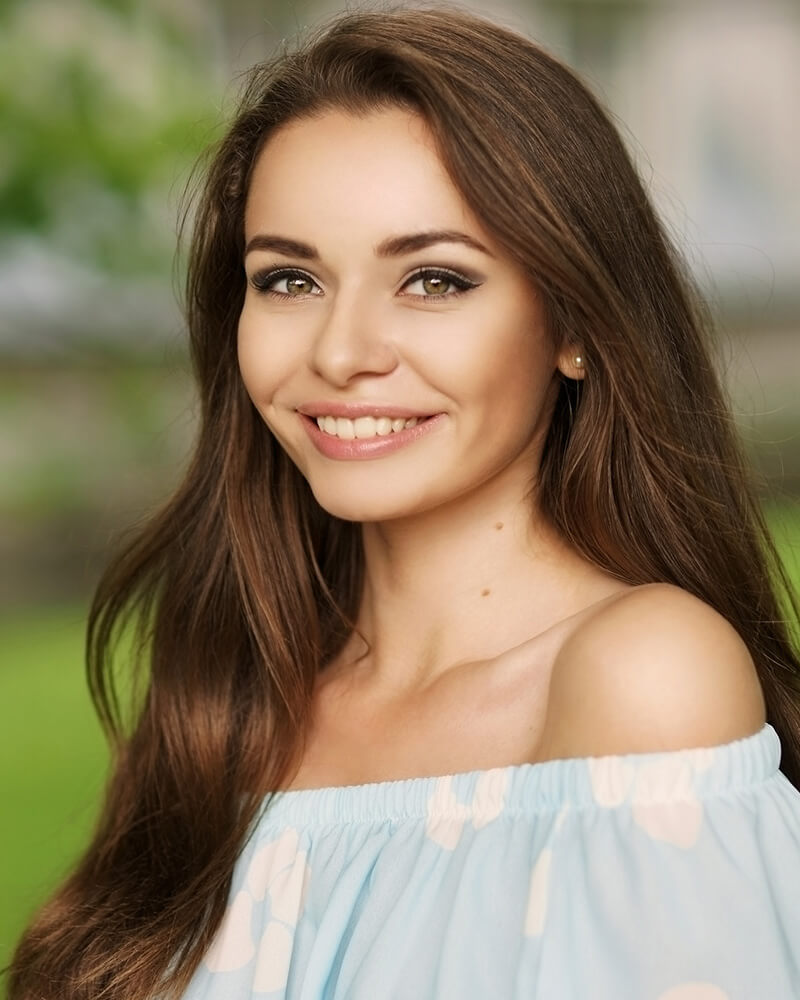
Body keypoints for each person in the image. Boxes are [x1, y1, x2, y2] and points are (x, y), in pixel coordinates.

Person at [9, 7, 800, 1000]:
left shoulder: (638, 681)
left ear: (574, 325)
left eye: (431, 279)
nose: (340, 353)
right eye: (289, 279)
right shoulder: (228, 699)